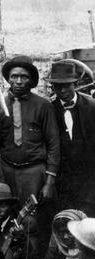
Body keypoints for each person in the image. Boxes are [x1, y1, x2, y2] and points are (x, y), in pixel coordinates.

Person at [0, 56, 60, 254]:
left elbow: (53, 144)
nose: (18, 81)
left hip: (34, 171)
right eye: (14, 76)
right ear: (8, 79)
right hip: (7, 169)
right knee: (8, 216)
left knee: (32, 219)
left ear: (32, 81)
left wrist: (49, 181)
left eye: (23, 77)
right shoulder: (0, 104)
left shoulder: (43, 106)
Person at [47, 60, 95, 217]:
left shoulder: (91, 106)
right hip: (63, 179)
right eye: (57, 86)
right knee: (65, 219)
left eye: (67, 85)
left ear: (76, 84)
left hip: (89, 177)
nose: (62, 90)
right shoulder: (49, 109)